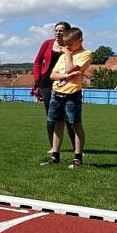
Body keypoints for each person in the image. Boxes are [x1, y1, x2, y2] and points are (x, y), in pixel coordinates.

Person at [41, 27, 91, 169]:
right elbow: (52, 75)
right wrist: (65, 76)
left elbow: (70, 69)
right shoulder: (64, 55)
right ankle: (55, 156)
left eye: (70, 43)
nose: (67, 46)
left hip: (72, 95)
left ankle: (78, 158)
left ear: (80, 39)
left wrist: (68, 55)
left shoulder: (85, 54)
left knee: (75, 125)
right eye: (65, 43)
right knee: (57, 124)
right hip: (56, 93)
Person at [32, 21, 75, 152]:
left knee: (69, 116)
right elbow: (37, 61)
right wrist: (37, 79)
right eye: (56, 30)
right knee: (51, 115)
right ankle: (53, 147)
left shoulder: (71, 46)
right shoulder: (47, 43)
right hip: (46, 82)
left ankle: (76, 148)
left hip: (65, 82)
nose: (57, 33)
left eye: (61, 30)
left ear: (67, 32)